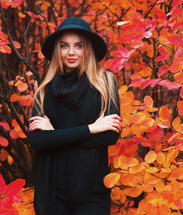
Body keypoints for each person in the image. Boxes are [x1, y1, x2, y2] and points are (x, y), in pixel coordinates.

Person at [28, 17, 121, 215]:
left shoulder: (105, 83)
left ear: (87, 49)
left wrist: (55, 135)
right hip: (52, 193)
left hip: (92, 193)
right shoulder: (45, 91)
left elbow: (110, 135)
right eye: (64, 46)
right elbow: (37, 141)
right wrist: (91, 129)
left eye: (78, 46)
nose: (71, 52)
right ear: (57, 50)